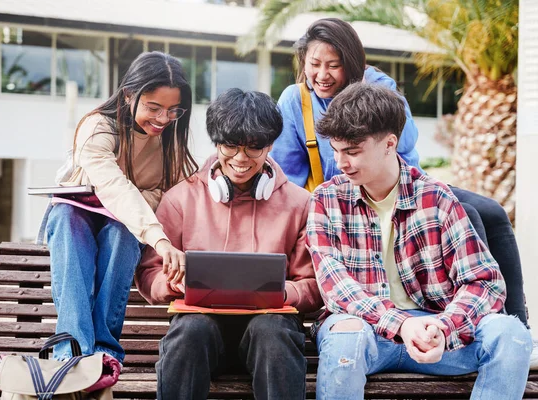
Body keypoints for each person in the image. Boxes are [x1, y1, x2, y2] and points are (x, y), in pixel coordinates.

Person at [270, 17, 528, 327]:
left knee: (492, 212)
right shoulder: (295, 102)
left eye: (334, 65)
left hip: (400, 186)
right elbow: (289, 172)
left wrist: (368, 101)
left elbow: (405, 147)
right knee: (470, 213)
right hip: (339, 198)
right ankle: (477, 321)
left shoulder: (378, 86)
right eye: (314, 64)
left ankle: (513, 322)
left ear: (351, 63)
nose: (322, 75)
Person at [307, 82, 532, 400]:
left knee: (511, 333)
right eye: (337, 151)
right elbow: (336, 289)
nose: (341, 163)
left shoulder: (436, 196)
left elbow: (483, 282)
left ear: (389, 144)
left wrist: (445, 327)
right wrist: (401, 324)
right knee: (346, 336)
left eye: (353, 151)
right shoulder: (326, 199)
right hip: (365, 330)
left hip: (436, 334)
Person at [135, 88, 323, 400]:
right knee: (190, 331)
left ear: (271, 145)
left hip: (269, 329)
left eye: (253, 149)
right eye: (230, 146)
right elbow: (148, 274)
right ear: (216, 141)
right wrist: (174, 283)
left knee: (274, 332)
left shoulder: (299, 204)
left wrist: (282, 292)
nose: (240, 159)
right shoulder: (181, 199)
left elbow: (314, 284)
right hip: (202, 330)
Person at [45, 52, 199, 364]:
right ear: (129, 94)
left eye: (173, 111)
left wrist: (140, 203)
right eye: (153, 108)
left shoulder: (170, 140)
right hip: (76, 221)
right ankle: (71, 353)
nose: (162, 119)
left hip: (125, 230)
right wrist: (158, 236)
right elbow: (114, 185)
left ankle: (103, 353)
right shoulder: (96, 127)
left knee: (122, 229)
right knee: (66, 217)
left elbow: (171, 193)